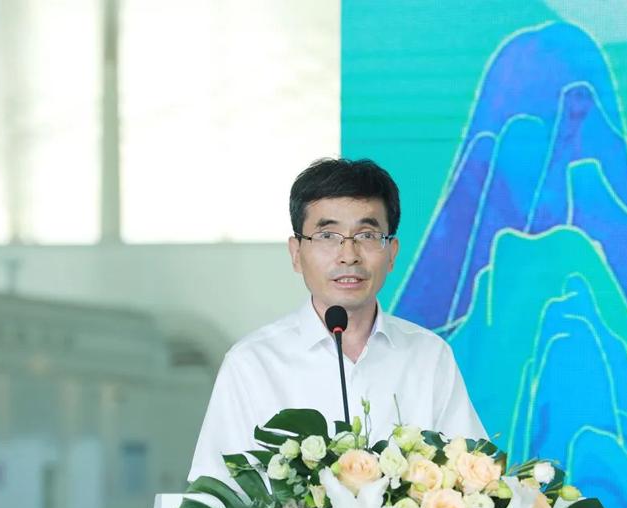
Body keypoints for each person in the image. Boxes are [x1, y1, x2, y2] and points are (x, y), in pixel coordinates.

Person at [188, 158, 486, 482]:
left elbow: (476, 483)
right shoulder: (252, 364)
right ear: (296, 253)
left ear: (392, 253)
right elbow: (214, 496)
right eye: (328, 236)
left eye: (367, 235)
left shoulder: (429, 357)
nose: (348, 255)